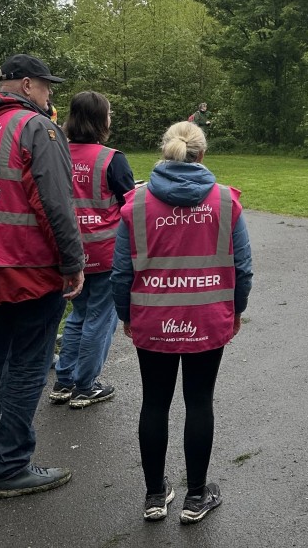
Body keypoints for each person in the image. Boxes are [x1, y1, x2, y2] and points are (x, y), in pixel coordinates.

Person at [0, 54, 84, 498]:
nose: (50, 96)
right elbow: (55, 203)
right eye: (47, 87)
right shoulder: (36, 128)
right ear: (27, 85)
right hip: (26, 264)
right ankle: (10, 466)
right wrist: (73, 262)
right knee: (29, 362)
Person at [112, 121, 252, 523]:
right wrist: (236, 310)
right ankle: (195, 497)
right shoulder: (225, 201)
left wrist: (127, 315)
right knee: (199, 402)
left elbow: (122, 272)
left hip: (152, 320)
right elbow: (242, 267)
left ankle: (155, 495)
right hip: (207, 318)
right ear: (202, 155)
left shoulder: (136, 203)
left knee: (154, 402)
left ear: (164, 152)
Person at [50, 92, 135, 408]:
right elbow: (131, 207)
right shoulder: (112, 158)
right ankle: (85, 385)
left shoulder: (56, 154)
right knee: (100, 319)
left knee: (78, 316)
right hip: (105, 252)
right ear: (101, 120)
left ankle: (64, 381)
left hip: (69, 251)